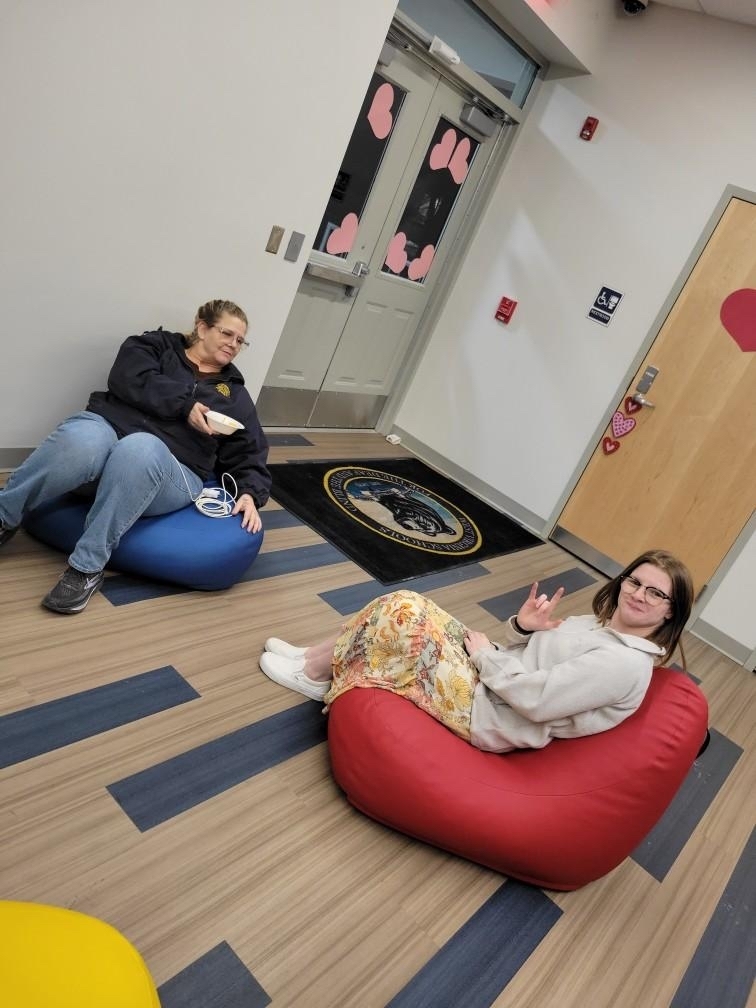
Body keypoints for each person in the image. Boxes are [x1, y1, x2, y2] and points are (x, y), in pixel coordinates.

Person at [258, 549, 694, 752]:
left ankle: (315, 674)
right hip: (493, 683)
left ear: (670, 613)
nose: (638, 595)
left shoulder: (622, 663)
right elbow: (530, 655)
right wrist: (525, 627)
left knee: (407, 614)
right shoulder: (596, 626)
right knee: (408, 600)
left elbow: (538, 701)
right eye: (635, 582)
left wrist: (485, 657)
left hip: (489, 714)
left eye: (656, 594)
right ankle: (314, 659)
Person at [0, 299, 271, 614]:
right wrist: (184, 406)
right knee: (82, 438)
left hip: (172, 471)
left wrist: (250, 491)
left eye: (241, 340)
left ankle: (86, 568)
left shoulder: (234, 394)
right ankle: (4, 517)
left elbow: (248, 448)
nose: (234, 345)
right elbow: (129, 377)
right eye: (227, 334)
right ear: (201, 327)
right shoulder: (154, 346)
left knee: (139, 447)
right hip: (109, 429)